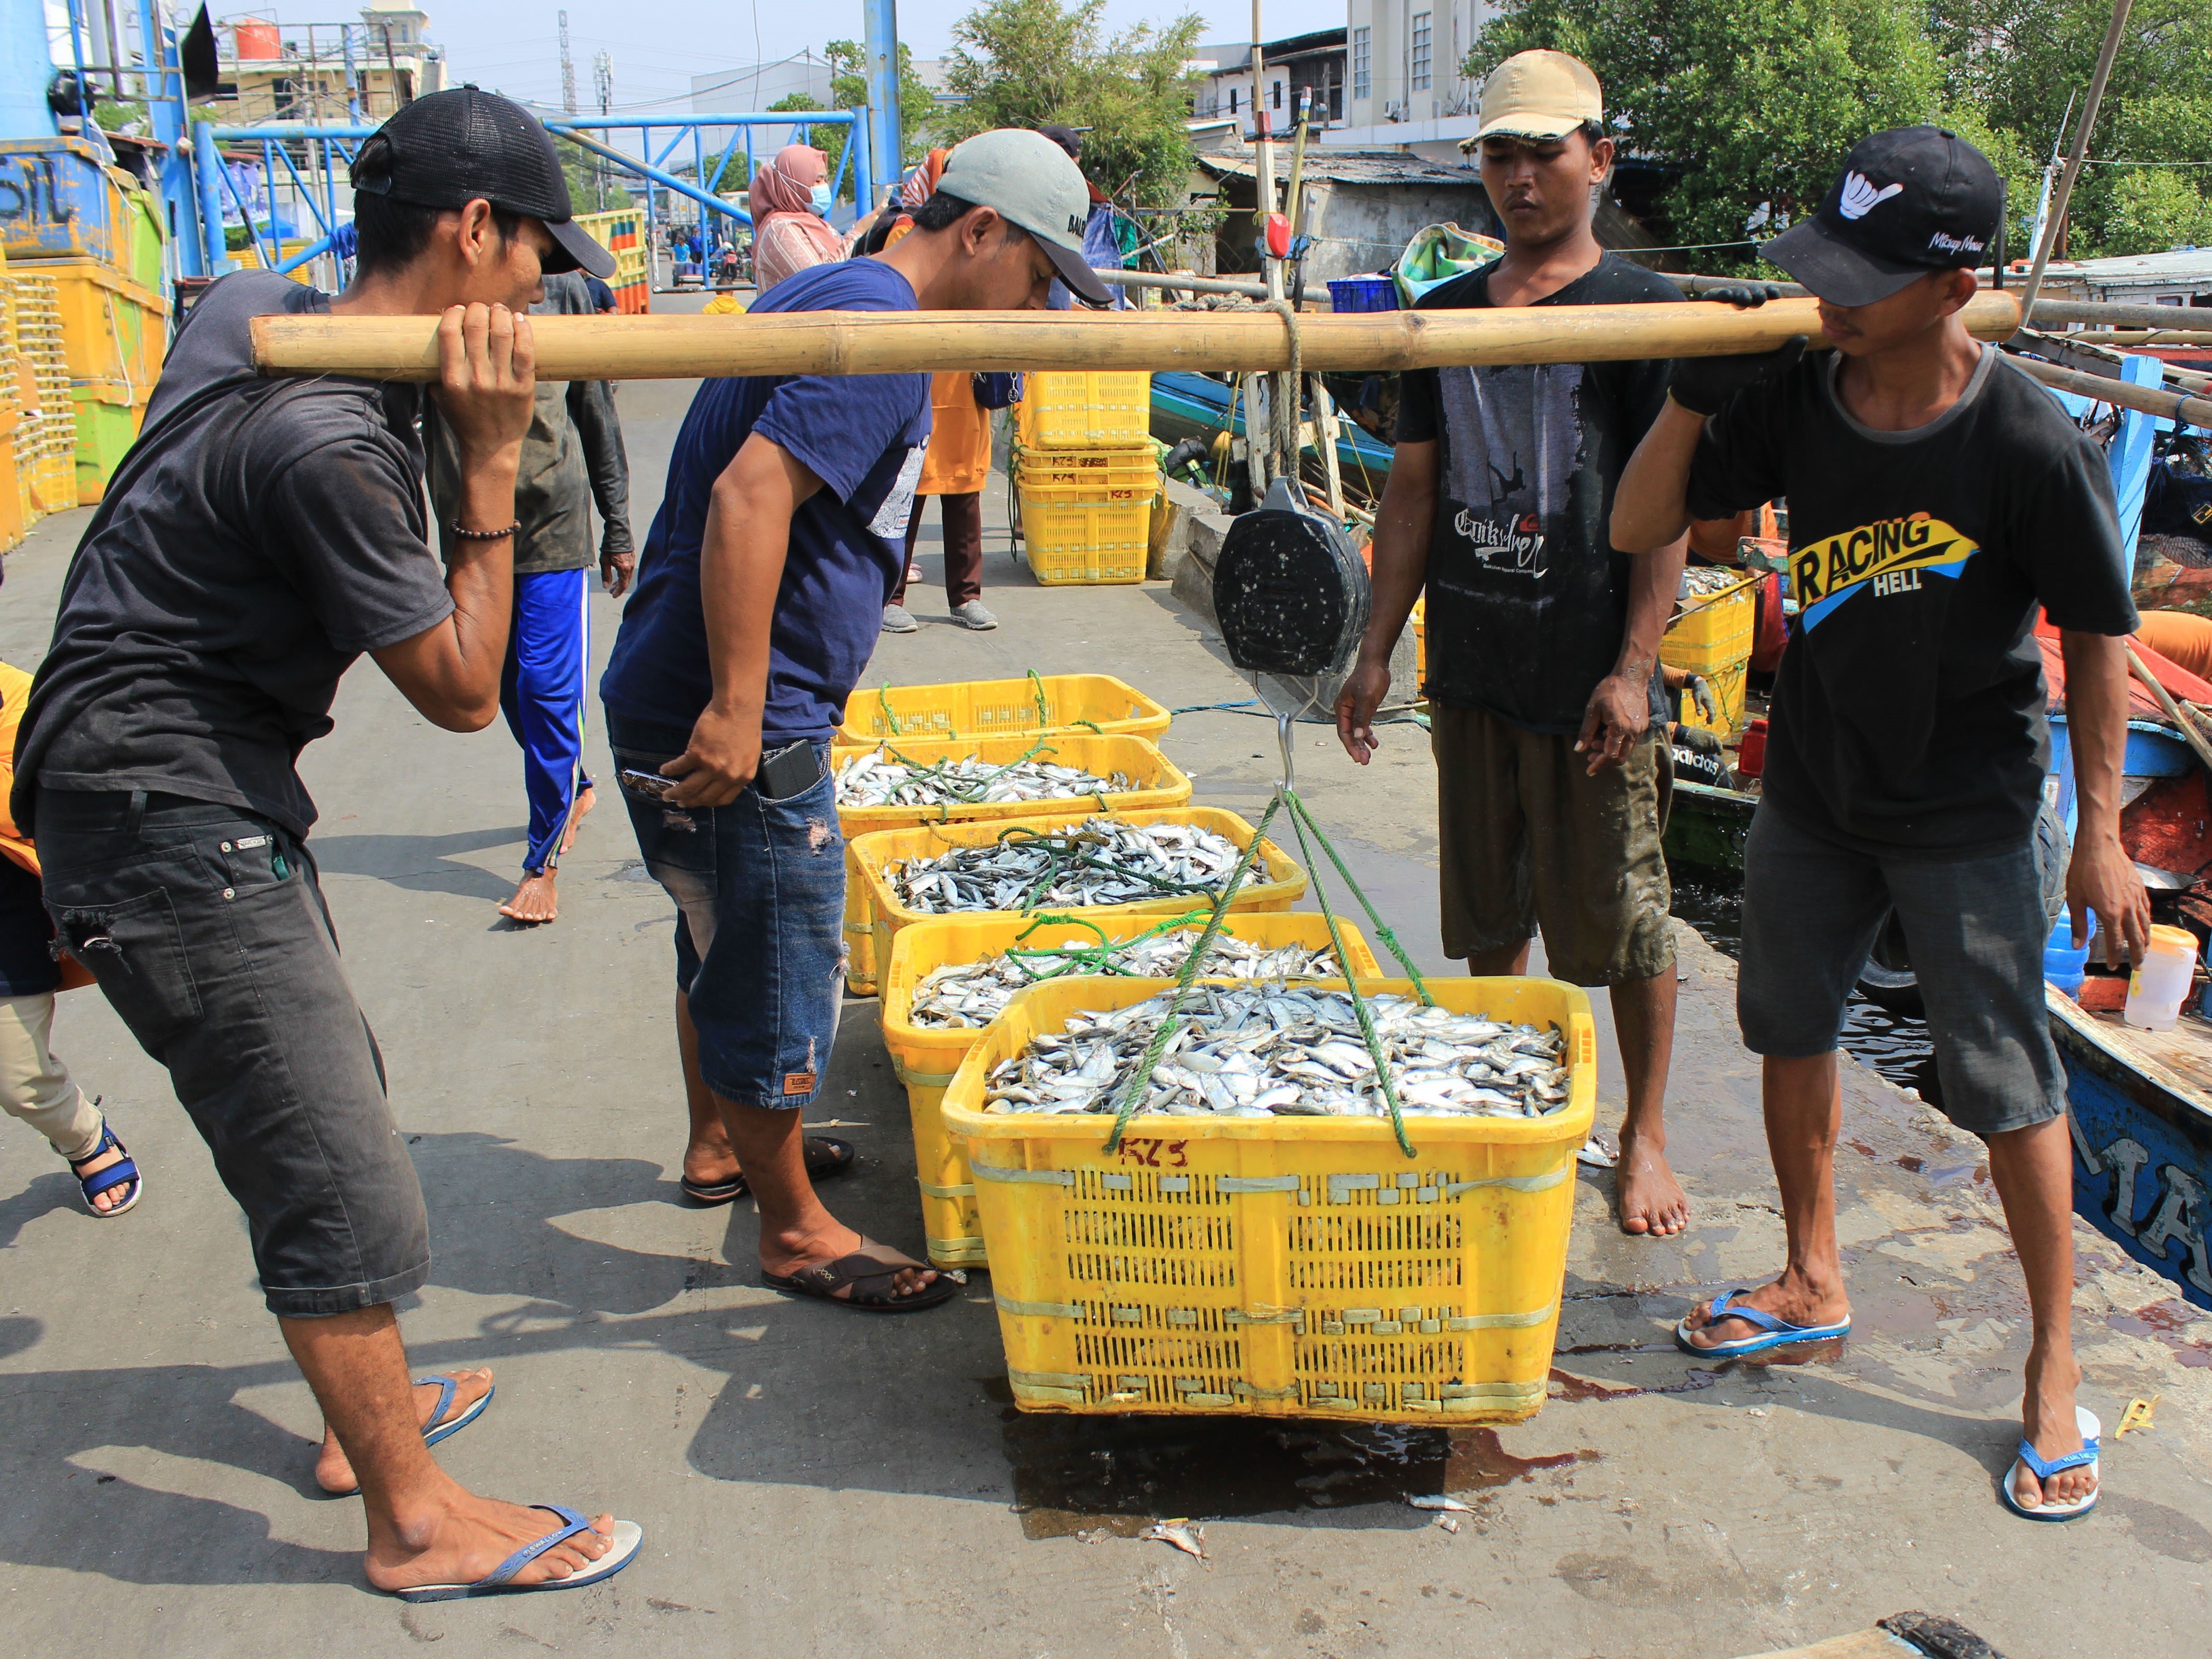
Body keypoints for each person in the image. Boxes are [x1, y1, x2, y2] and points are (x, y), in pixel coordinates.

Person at [12, 87, 640, 1598]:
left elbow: (235, 291)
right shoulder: (322, 436)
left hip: (161, 787)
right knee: (330, 1164)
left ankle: (368, 1424)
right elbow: (458, 692)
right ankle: (413, 1520)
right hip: (162, 805)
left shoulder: (253, 312)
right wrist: (489, 465)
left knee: (324, 1094)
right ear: (470, 227)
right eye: (528, 257)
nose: (536, 298)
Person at [1611, 126, 2150, 1521]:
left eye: (1861, 274)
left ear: (1949, 283)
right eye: (1821, 266)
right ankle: (1810, 1271)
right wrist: (1685, 397)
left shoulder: (2026, 437)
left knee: (2004, 1081)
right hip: (1813, 788)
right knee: (1787, 1022)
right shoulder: (1797, 395)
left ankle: (2048, 1365)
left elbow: (2096, 639)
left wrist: (2097, 831)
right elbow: (1638, 525)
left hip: (1966, 808)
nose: (1827, 295)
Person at [600, 129, 1110, 1310]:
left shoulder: (853, 291)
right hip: (730, 712)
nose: (1036, 307)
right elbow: (747, 497)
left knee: (715, 942)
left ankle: (724, 1146)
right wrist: (739, 707)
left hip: (686, 690)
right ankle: (794, 1232)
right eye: (1036, 276)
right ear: (978, 231)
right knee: (778, 960)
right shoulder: (881, 332)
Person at [1335, 49, 1694, 1238]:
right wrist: (1378, 645)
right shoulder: (1440, 318)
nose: (1522, 175)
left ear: (1597, 157)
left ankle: (1641, 1132)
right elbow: (1410, 497)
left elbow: (1666, 509)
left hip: (1591, 670)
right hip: (1476, 662)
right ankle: (1515, 1094)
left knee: (1628, 916)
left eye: (1546, 149)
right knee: (1491, 912)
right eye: (1500, 151)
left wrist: (1634, 667)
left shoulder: (1647, 312)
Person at [424, 268, 636, 923]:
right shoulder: (432, 298)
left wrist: (618, 528)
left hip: (550, 529)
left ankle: (540, 862)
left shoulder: (567, 293)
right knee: (505, 688)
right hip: (469, 529)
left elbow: (596, 418)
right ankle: (576, 787)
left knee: (546, 688)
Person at [0, 658, 134, 1216]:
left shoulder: (16, 699)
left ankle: (83, 1136)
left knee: (18, 1080)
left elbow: (48, 799)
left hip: (6, 917)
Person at [880, 369, 1021, 634]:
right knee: (906, 497)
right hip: (914, 390)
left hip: (964, 397)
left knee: (965, 496)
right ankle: (889, 598)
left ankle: (966, 598)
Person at [748, 143, 844, 293]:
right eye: (818, 180)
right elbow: (820, 283)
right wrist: (857, 233)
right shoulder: (781, 229)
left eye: (826, 180)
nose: (824, 186)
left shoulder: (814, 224)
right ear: (791, 184)